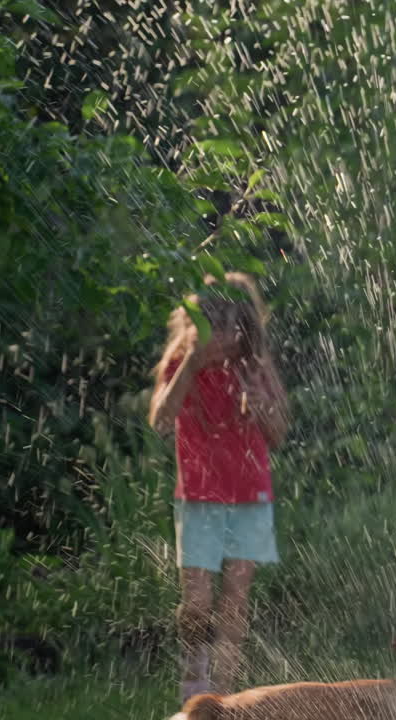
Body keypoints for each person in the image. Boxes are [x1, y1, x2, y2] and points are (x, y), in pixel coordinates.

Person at [149, 272, 289, 703]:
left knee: (235, 596)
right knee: (196, 600)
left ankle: (223, 695)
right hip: (197, 496)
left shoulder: (255, 367)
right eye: (213, 328)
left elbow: (280, 434)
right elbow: (159, 421)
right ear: (197, 329)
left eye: (231, 329)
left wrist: (260, 401)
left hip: (250, 495)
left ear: (244, 330)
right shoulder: (181, 364)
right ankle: (195, 677)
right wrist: (191, 366)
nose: (223, 339)